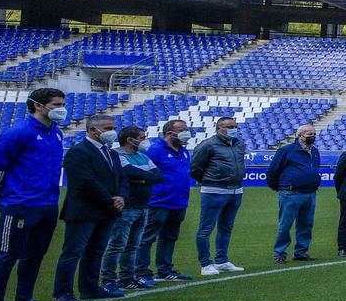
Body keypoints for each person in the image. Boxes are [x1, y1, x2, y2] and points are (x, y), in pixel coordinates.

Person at [0, 87, 67, 301]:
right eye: (56, 104)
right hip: (20, 203)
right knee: (7, 255)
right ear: (38, 106)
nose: (61, 109)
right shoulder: (19, 132)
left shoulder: (56, 133)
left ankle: (24, 300)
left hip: (48, 203)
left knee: (35, 255)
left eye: (62, 104)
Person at [54, 112, 125, 301]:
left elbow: (121, 177)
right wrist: (109, 200)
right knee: (73, 252)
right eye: (109, 129)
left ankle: (89, 287)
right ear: (93, 130)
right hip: (84, 210)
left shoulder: (111, 153)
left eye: (113, 128)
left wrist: (121, 196)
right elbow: (85, 182)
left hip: (106, 211)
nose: (113, 132)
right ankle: (63, 292)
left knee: (96, 251)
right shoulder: (78, 152)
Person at [102, 125, 163, 290]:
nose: (144, 140)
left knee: (133, 245)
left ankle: (127, 277)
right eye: (142, 137)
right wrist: (144, 178)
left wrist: (142, 179)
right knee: (117, 244)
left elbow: (158, 176)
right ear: (130, 140)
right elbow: (128, 173)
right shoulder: (116, 155)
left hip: (143, 206)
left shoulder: (142, 156)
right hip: (126, 207)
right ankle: (108, 279)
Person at [189, 114, 248, 276]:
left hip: (236, 191)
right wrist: (209, 181)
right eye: (229, 127)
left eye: (234, 127)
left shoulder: (239, 145)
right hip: (214, 191)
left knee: (226, 227)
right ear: (218, 129)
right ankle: (205, 263)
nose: (233, 130)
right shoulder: (208, 145)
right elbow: (195, 168)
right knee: (206, 228)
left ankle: (222, 260)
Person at [142, 117, 193, 283]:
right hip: (158, 202)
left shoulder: (184, 151)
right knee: (147, 238)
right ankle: (141, 271)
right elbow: (145, 173)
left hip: (179, 202)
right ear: (170, 133)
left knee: (170, 237)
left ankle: (165, 270)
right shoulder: (155, 150)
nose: (187, 133)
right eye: (183, 130)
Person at [267, 124, 321, 264]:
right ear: (300, 135)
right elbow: (273, 171)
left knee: (306, 224)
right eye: (309, 134)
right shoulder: (286, 150)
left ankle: (301, 252)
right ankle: (279, 253)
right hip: (290, 193)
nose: (312, 136)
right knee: (285, 225)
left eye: (314, 134)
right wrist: (280, 188)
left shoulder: (314, 151)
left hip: (310, 193)